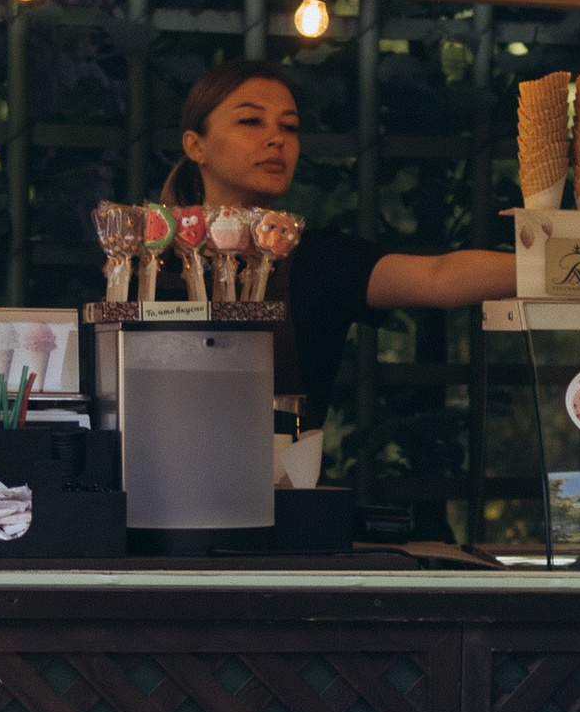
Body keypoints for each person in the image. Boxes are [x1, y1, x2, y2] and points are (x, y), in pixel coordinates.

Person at [171, 63, 514, 461]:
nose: (276, 139)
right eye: (251, 121)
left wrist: (562, 268)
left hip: (284, 492)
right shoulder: (144, 259)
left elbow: (437, 277)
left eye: (290, 126)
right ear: (195, 146)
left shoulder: (319, 259)